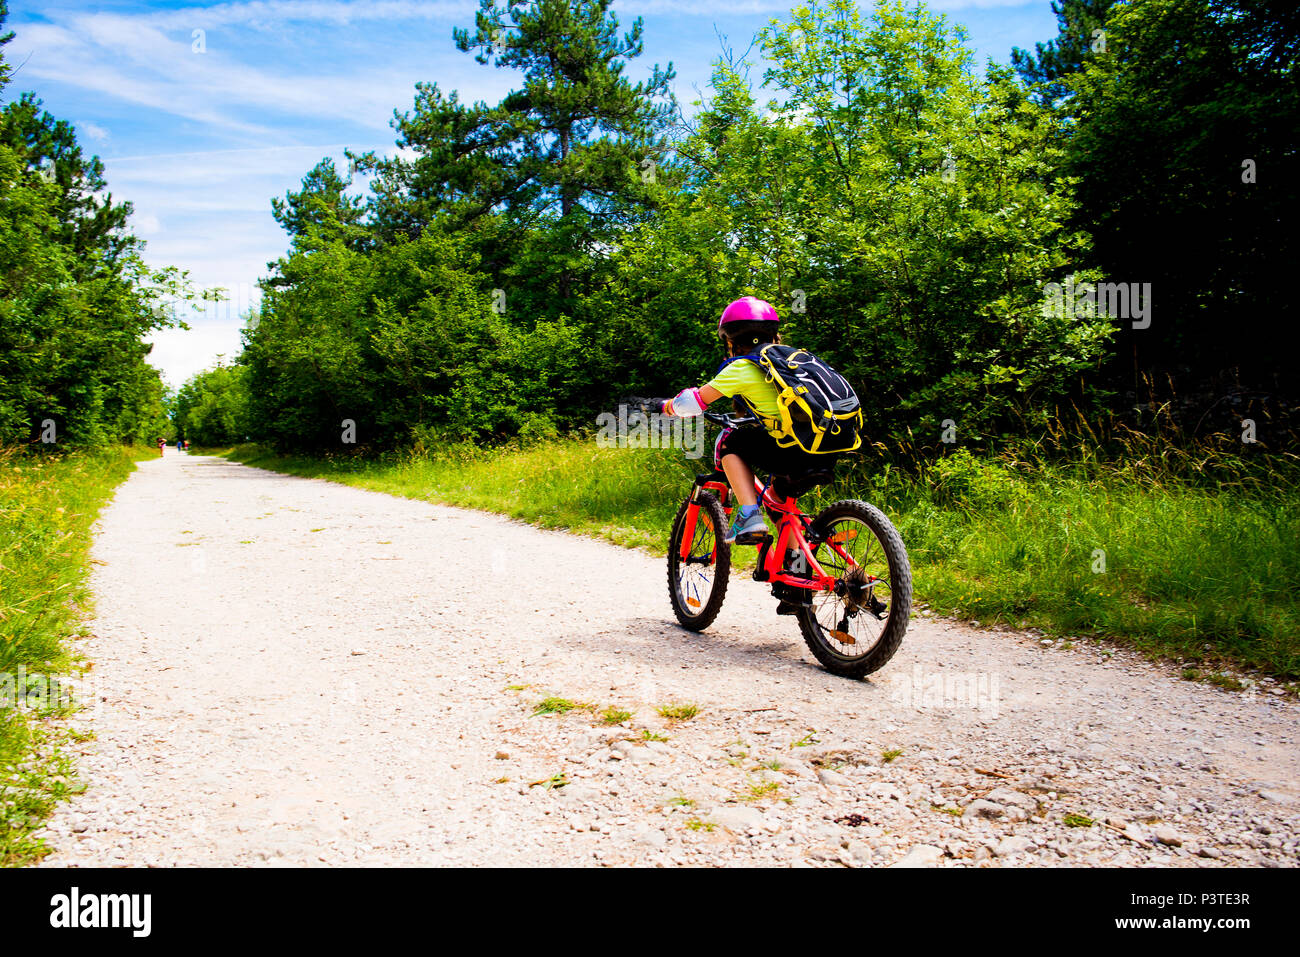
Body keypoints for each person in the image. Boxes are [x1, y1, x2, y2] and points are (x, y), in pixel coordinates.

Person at [662, 296, 825, 544]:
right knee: (778, 501)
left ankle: (749, 516)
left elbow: (692, 403)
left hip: (793, 452)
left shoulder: (743, 367)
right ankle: (797, 566)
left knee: (730, 441)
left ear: (731, 340)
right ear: (773, 334)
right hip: (826, 447)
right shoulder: (797, 360)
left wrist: (667, 407)